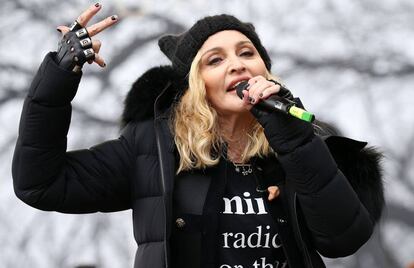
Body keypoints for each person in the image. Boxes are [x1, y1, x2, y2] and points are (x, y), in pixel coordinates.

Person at [12, 3, 384, 268]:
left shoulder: (302, 146)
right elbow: (40, 184)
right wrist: (59, 76)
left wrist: (296, 141)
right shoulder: (153, 149)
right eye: (215, 60)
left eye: (246, 53)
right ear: (195, 85)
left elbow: (343, 239)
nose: (237, 63)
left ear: (264, 71)